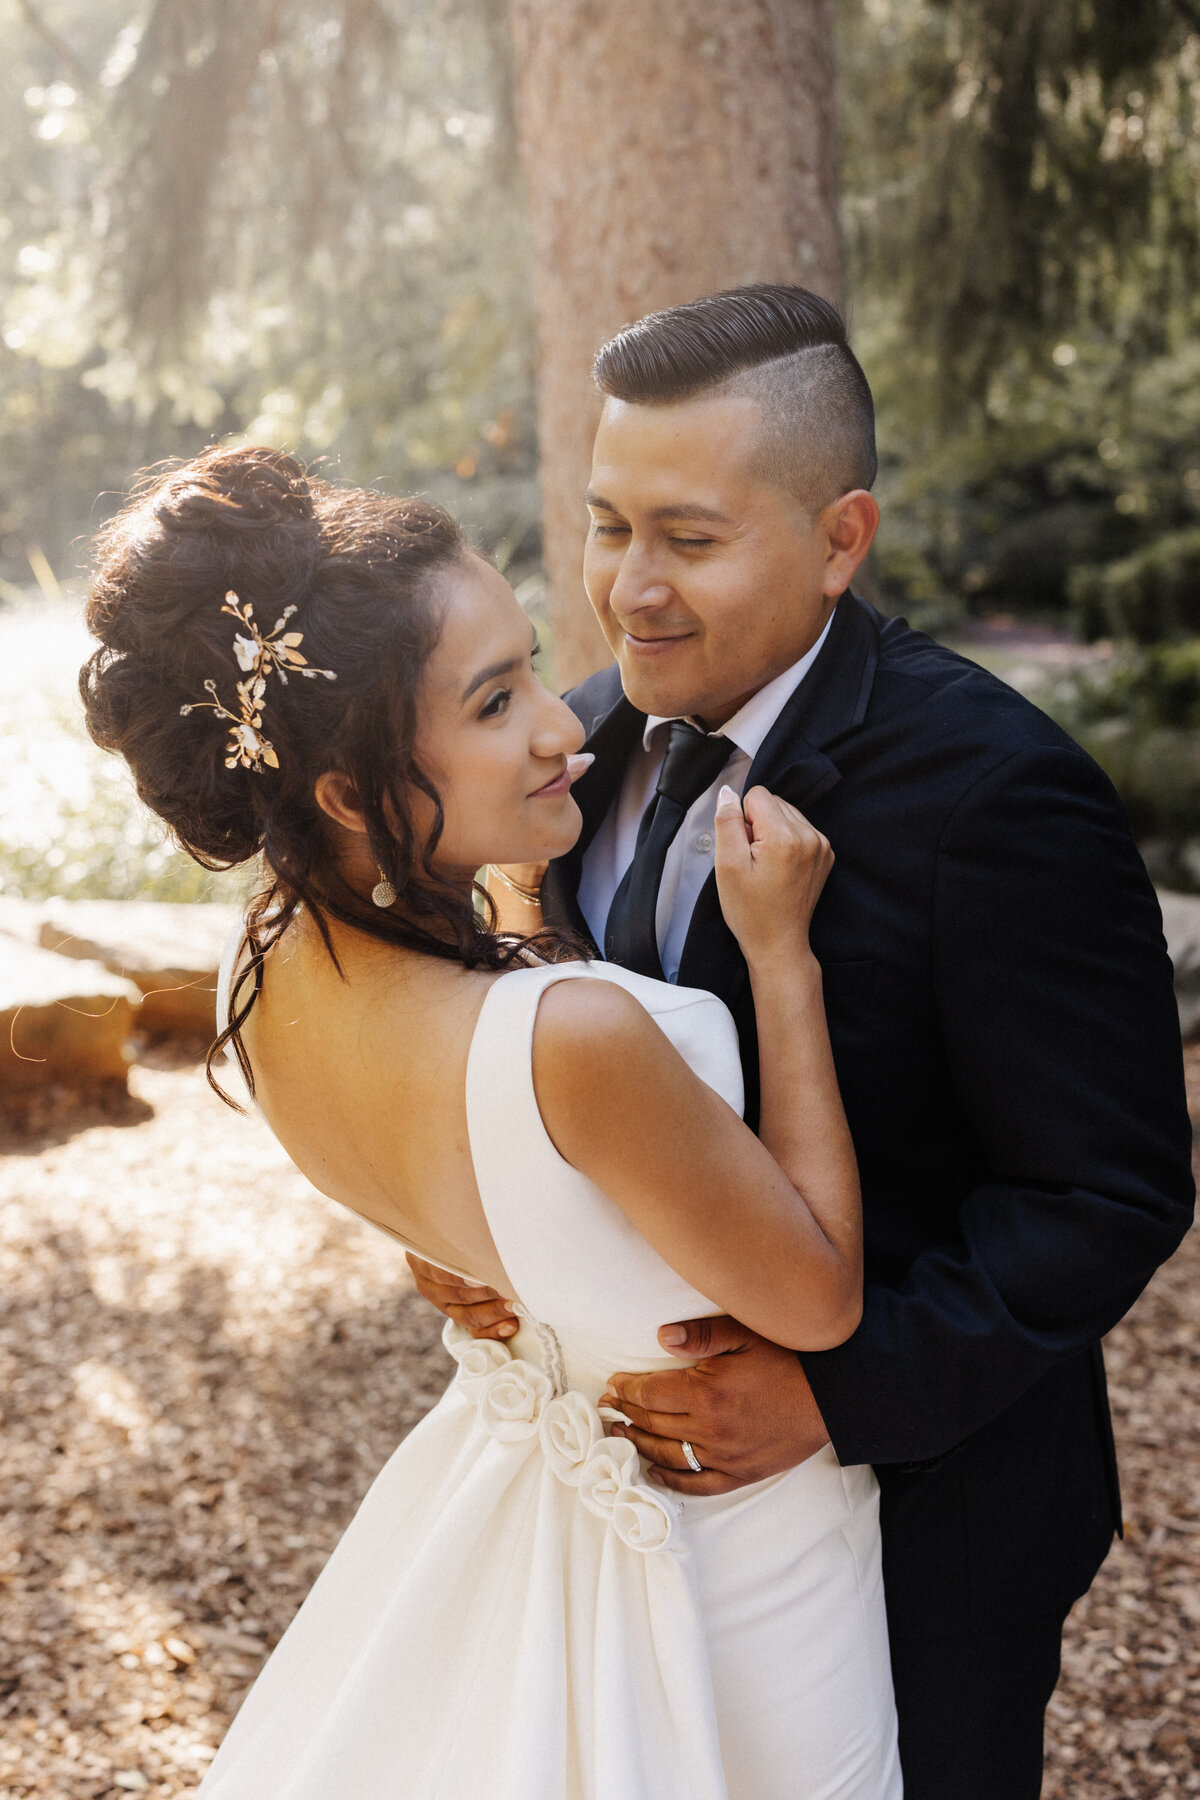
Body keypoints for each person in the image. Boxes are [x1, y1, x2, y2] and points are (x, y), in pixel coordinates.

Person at [408, 284, 1196, 1798]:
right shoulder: (565, 749)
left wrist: (838, 1394)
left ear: (843, 539)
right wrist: (479, 1239)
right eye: (606, 524)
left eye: (689, 539)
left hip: (923, 1522)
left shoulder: (1004, 798)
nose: (629, 588)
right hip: (620, 1513)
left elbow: (1108, 1195)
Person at [79, 446, 902, 1799]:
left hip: (520, 1492)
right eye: (495, 701)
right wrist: (784, 964)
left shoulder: (265, 965)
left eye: (529, 669)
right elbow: (815, 1300)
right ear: (347, 790)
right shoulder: (571, 1044)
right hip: (728, 1554)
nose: (562, 726)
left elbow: (474, 1190)